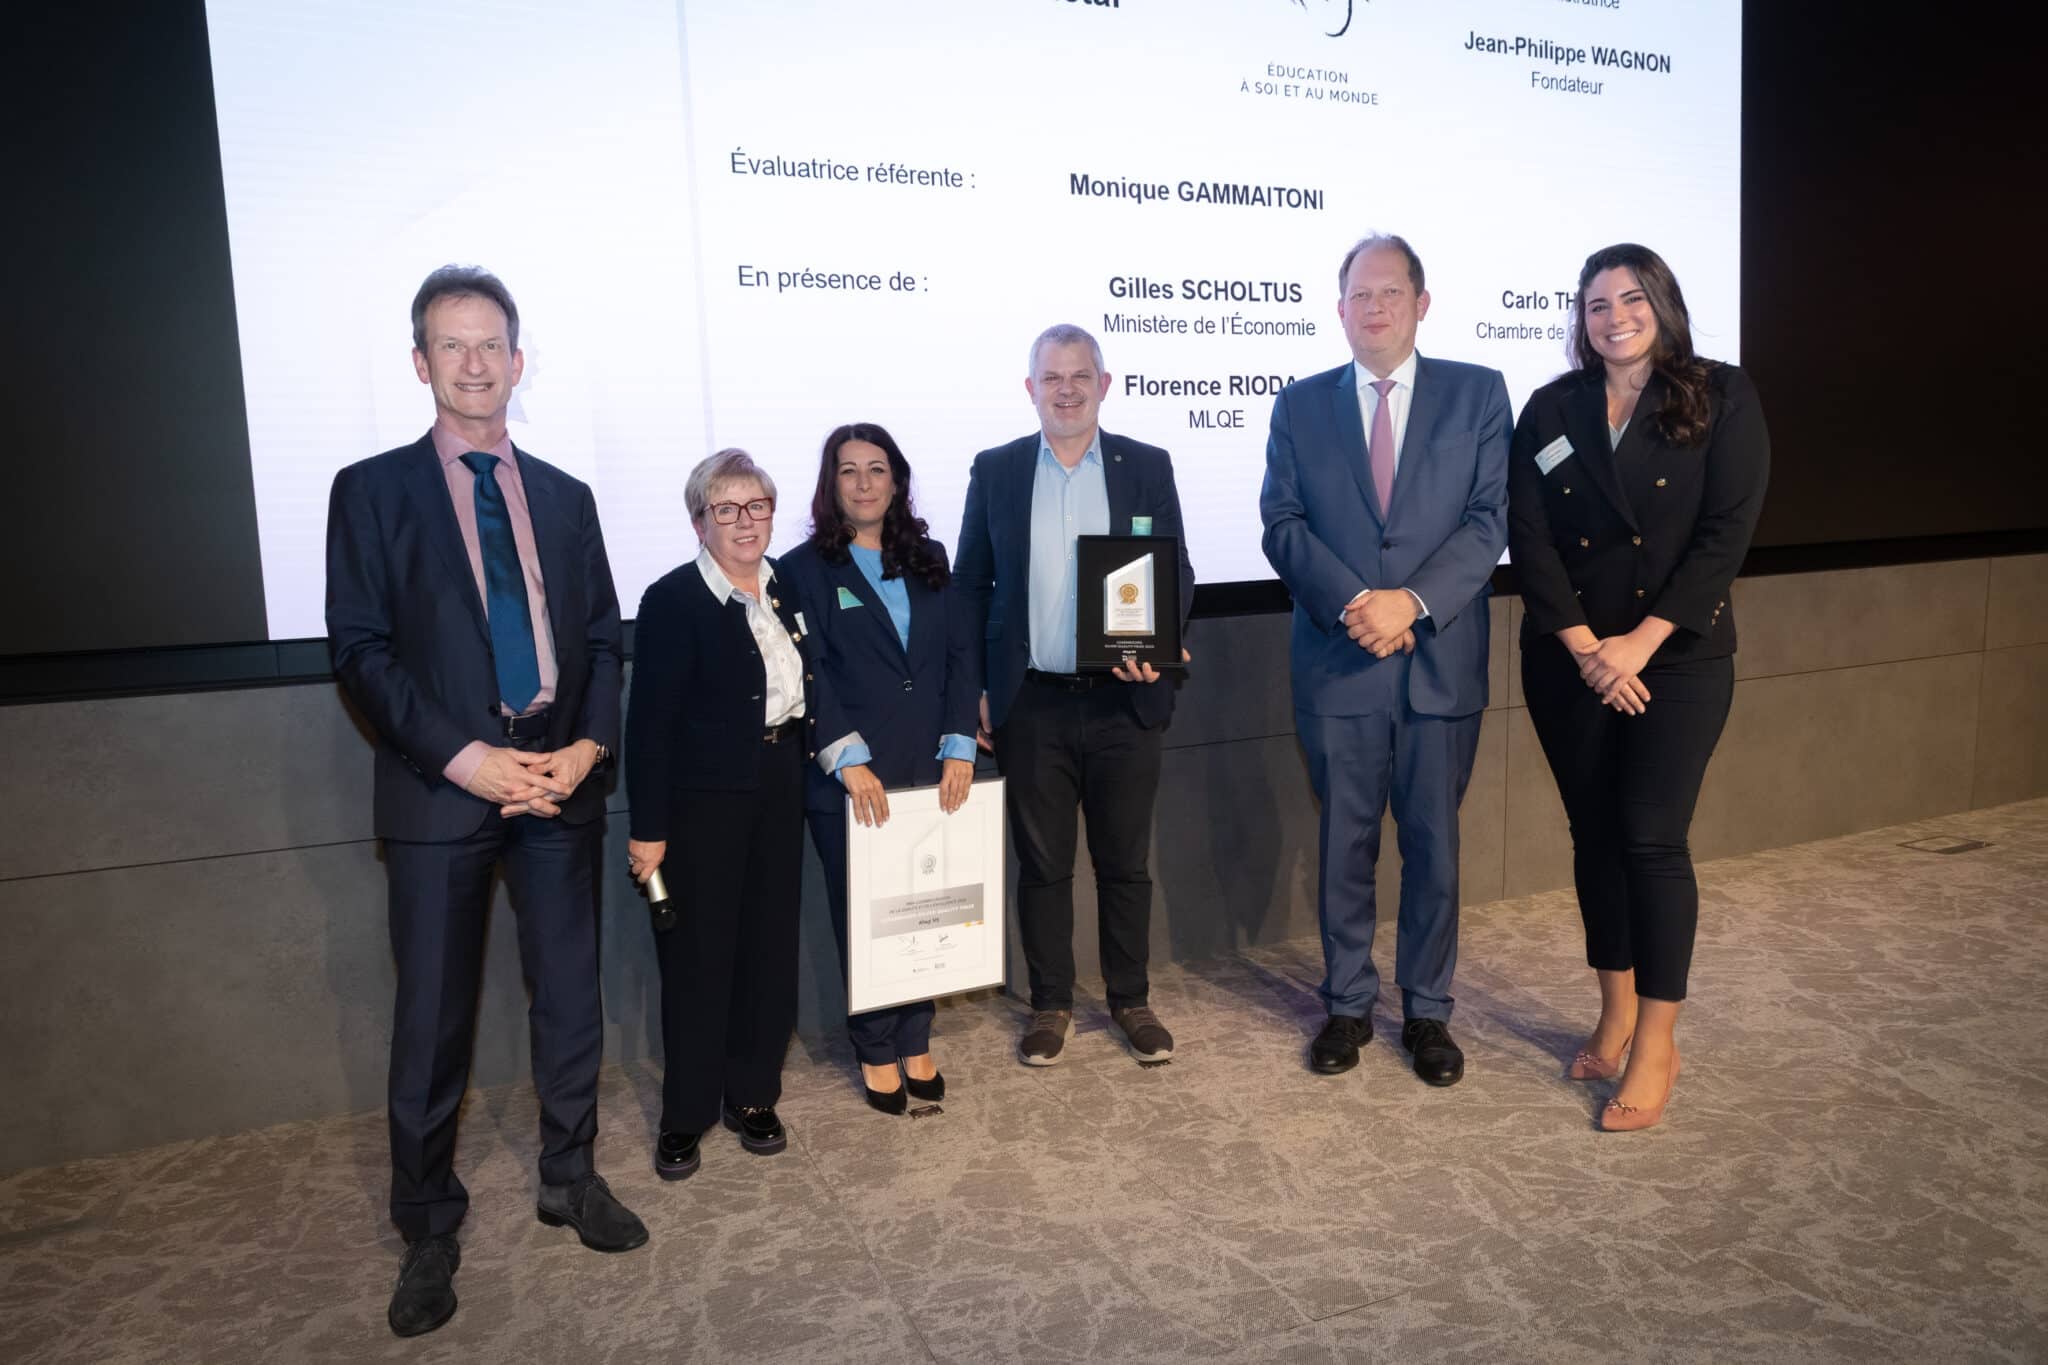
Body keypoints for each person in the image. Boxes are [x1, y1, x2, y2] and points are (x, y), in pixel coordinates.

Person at [325, 265, 645, 1340]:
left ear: (518, 359)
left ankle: (570, 1177)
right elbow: (360, 651)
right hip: (443, 788)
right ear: (421, 364)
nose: (474, 362)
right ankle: (427, 1224)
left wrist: (589, 745)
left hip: (558, 779)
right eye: (451, 345)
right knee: (431, 1020)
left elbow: (600, 639)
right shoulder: (371, 491)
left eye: (491, 344)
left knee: (569, 1000)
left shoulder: (565, 495)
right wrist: (466, 759)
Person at [1507, 243, 1770, 1131]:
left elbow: (1726, 534)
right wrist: (1590, 649)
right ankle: (1615, 1010)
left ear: (1662, 303)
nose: (1614, 317)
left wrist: (1638, 646)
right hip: (1570, 658)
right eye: (1596, 304)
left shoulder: (1721, 394)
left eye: (1630, 299)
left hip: (1677, 657)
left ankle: (1657, 1040)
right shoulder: (1552, 406)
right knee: (1594, 836)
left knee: (1652, 840)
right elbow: (1529, 536)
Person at [1259, 234, 1511, 1087]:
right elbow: (1282, 523)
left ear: (1421, 304)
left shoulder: (1479, 393)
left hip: (1440, 662)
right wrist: (1358, 604)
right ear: (1339, 310)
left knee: (1435, 847)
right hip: (1339, 662)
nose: (1374, 307)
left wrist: (1412, 602)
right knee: (1344, 843)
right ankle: (1348, 1003)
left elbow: (1488, 519)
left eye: (1390, 292)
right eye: (1359, 295)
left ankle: (1429, 1009)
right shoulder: (1298, 406)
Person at [955, 323, 1196, 1067]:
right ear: (1031, 388)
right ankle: (1051, 1003)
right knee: (1043, 866)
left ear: (1104, 384)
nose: (1066, 390)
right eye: (1052, 378)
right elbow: (970, 586)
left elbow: (1175, 572)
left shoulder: (1145, 464)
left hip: (1124, 701)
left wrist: (1159, 647)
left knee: (1125, 862)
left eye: (1080, 376)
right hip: (1032, 703)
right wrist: (976, 689)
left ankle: (1131, 999)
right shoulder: (996, 469)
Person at [779, 424, 980, 1113]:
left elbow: (960, 654)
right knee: (867, 916)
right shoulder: (802, 569)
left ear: (897, 481)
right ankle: (874, 1045)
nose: (863, 483)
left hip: (930, 765)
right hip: (851, 777)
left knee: (924, 909)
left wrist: (960, 744)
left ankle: (916, 1036)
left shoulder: (929, 556)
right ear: (830, 484)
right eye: (848, 470)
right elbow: (807, 671)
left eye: (876, 469)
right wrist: (848, 758)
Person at [625, 449, 816, 1174]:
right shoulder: (672, 600)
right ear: (699, 521)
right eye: (726, 509)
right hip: (702, 800)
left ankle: (753, 1095)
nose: (745, 521)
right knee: (701, 958)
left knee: (769, 946)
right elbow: (648, 727)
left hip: (780, 781)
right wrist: (649, 830)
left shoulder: (786, 584)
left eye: (757, 506)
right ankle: (687, 1112)